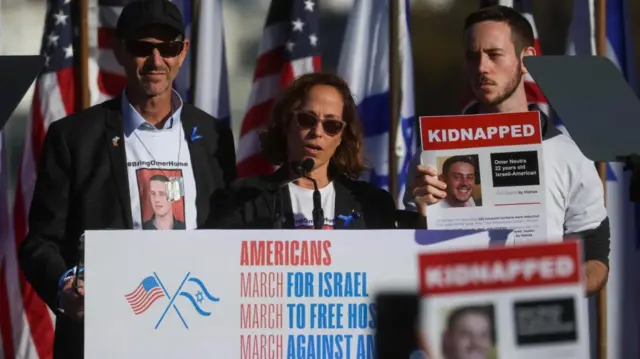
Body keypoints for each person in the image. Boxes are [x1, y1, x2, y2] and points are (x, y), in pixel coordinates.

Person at [18, 0, 236, 358]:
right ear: (119, 50)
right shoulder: (73, 137)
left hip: (196, 335)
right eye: (141, 47)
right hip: (105, 337)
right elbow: (40, 243)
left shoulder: (213, 135)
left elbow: (229, 233)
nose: (155, 61)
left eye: (167, 48)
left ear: (182, 52)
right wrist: (64, 286)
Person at [404, 5, 610, 296]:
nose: (482, 67)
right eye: (472, 56)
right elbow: (406, 252)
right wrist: (423, 217)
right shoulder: (433, 151)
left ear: (527, 60)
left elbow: (595, 255)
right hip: (460, 318)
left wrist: (554, 291)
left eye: (494, 55)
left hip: (539, 324)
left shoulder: (569, 153)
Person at [212, 72, 397, 229]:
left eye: (331, 125)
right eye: (307, 120)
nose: (317, 132)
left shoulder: (372, 203)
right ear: (286, 123)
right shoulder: (244, 197)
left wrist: (424, 211)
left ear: (341, 136)